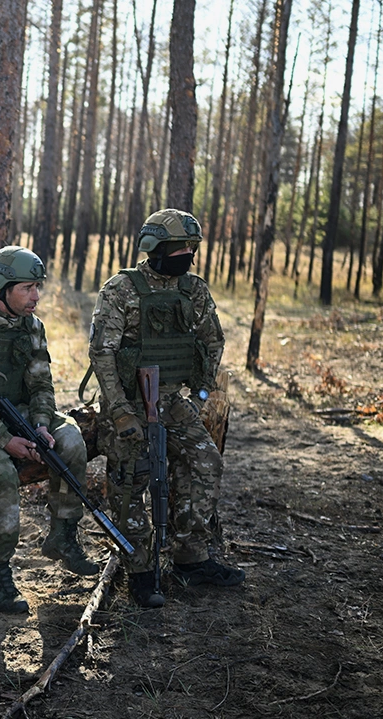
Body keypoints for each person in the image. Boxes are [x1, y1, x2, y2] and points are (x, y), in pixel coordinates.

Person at [89, 208, 244, 609]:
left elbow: (213, 341)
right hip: (127, 401)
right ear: (155, 247)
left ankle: (191, 557)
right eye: (181, 247)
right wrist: (121, 411)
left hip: (173, 400)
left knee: (205, 460)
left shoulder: (193, 291)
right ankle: (140, 570)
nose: (188, 255)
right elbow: (102, 354)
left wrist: (203, 393)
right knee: (131, 480)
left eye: (193, 248)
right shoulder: (120, 289)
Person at [0, 246, 95, 615]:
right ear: (2, 287)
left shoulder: (33, 327)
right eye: (27, 287)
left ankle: (62, 535)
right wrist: (6, 440)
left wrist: (41, 425)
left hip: (22, 412)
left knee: (72, 439)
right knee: (0, 472)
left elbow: (42, 385)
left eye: (37, 287)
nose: (36, 296)